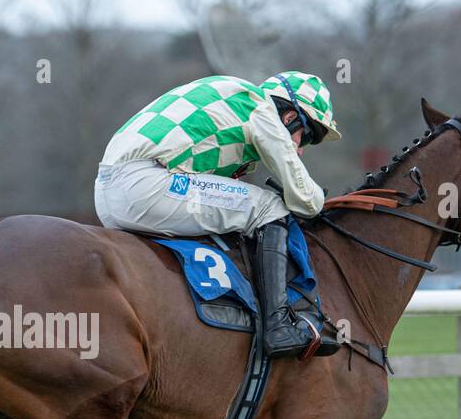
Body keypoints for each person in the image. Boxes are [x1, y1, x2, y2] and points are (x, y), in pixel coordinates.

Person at [94, 71, 341, 360]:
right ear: (290, 117)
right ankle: (278, 327)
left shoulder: (233, 97)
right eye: (307, 136)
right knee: (268, 207)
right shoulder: (261, 110)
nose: (300, 149)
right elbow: (308, 202)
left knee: (240, 207)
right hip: (143, 186)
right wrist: (318, 198)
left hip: (109, 190)